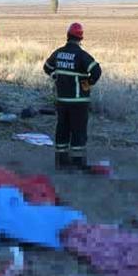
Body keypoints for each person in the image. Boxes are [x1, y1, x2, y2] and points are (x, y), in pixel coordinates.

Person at [43, 23, 102, 170]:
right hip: (78, 102)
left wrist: (55, 75)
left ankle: (61, 161)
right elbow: (96, 71)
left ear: (67, 36)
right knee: (78, 131)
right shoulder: (82, 55)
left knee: (62, 129)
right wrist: (89, 82)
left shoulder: (58, 53)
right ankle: (77, 162)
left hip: (61, 101)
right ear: (80, 38)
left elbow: (46, 67)